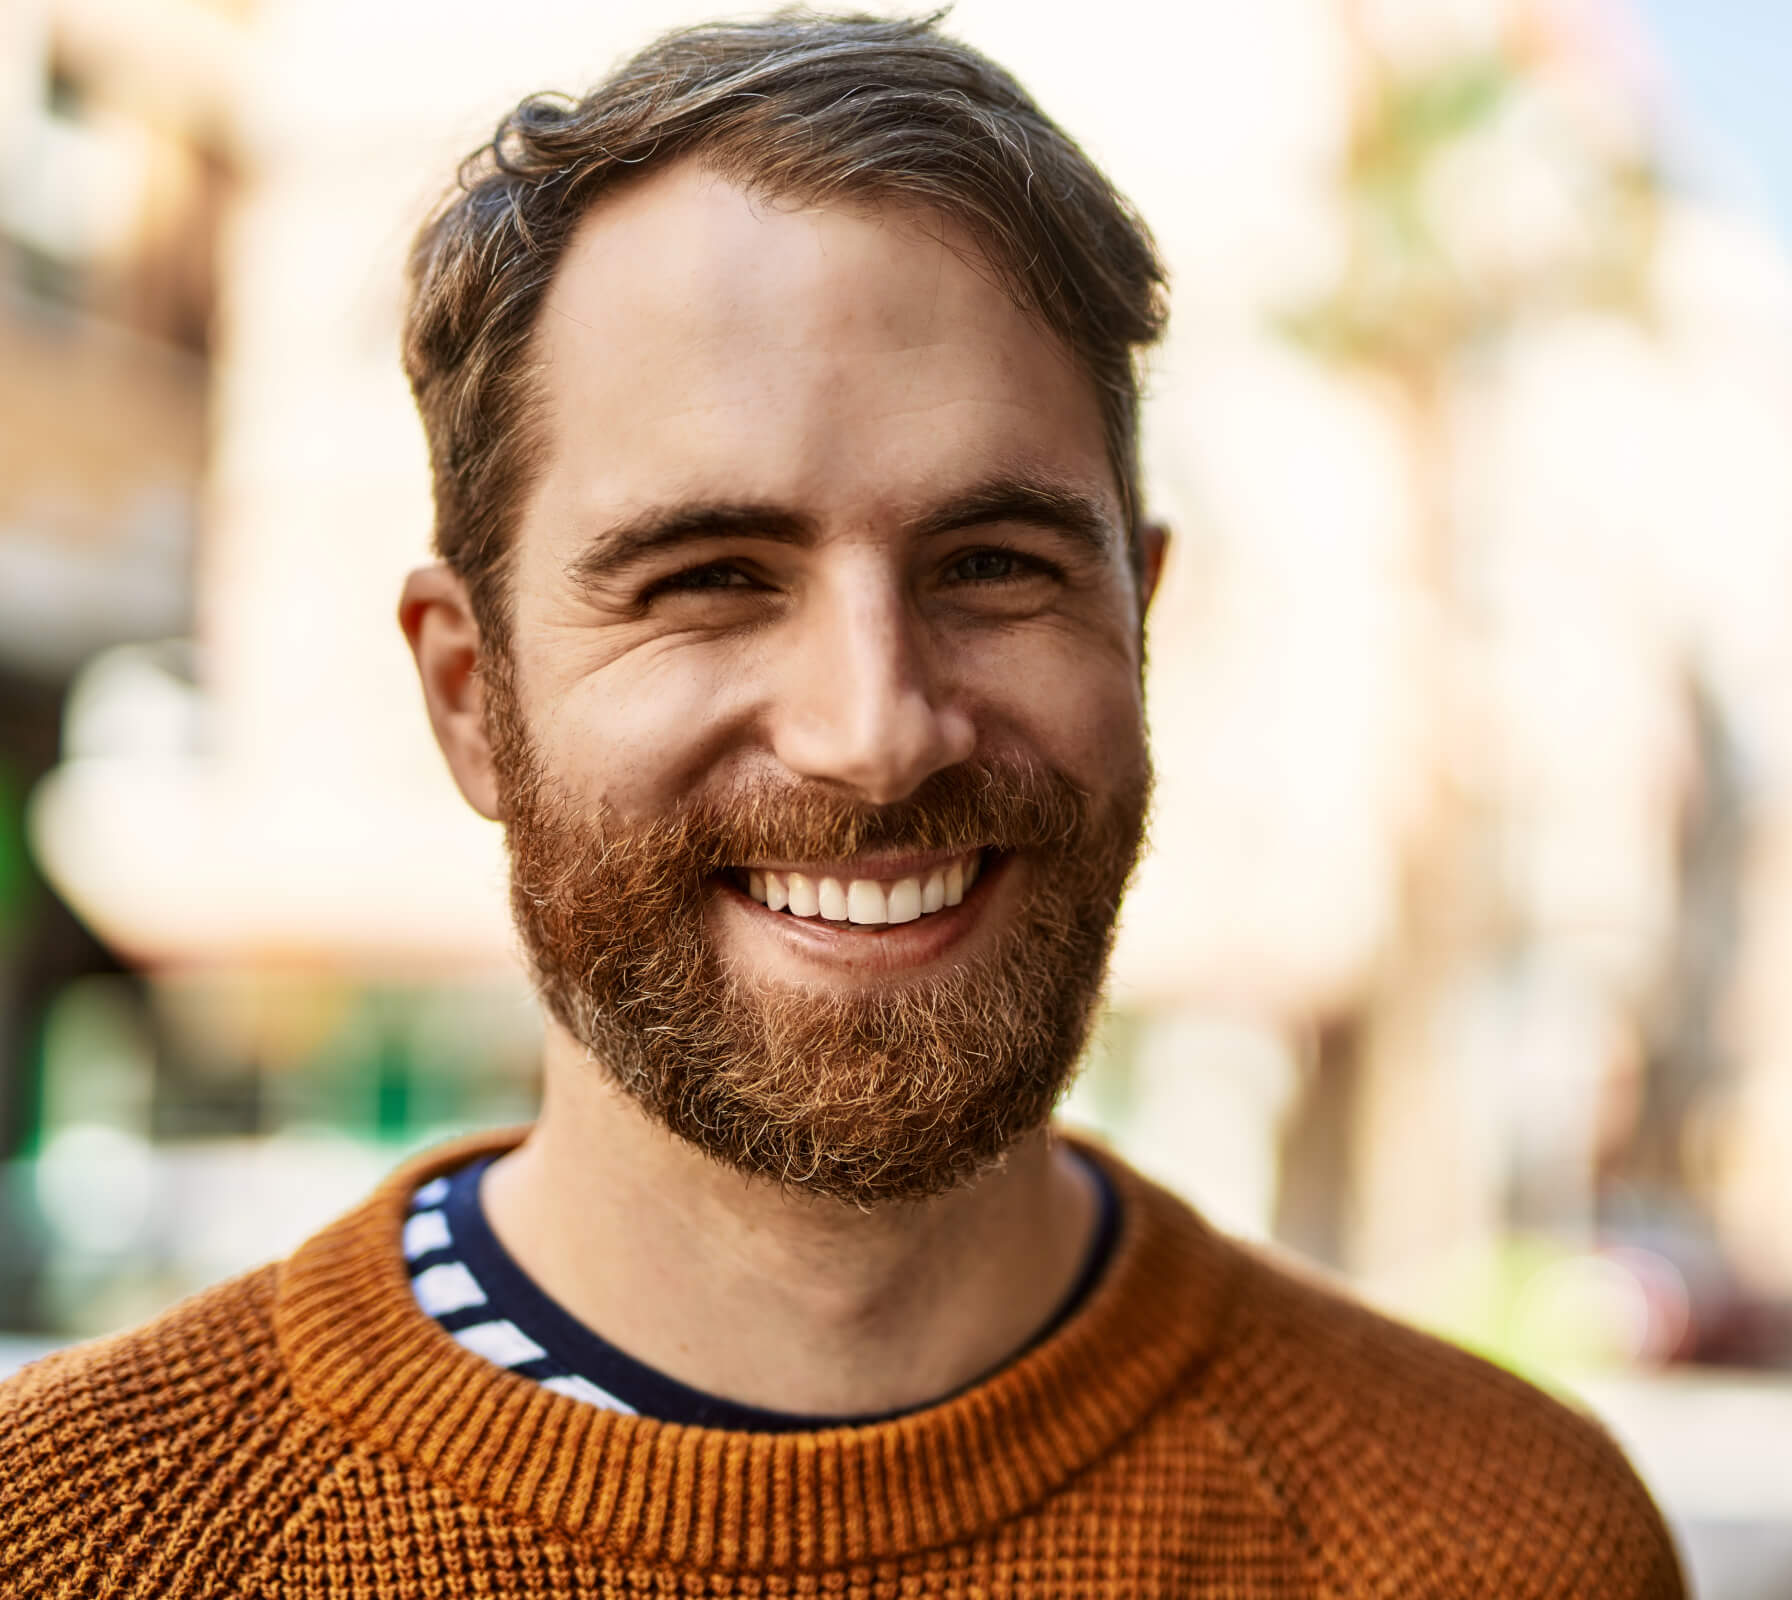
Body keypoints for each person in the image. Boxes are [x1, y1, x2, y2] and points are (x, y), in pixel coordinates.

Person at [0, 12, 1682, 1594]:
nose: (875, 732)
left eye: (994, 566)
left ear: (1138, 624)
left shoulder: (1503, 1543)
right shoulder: (75, 1543)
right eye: (711, 576)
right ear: (469, 696)